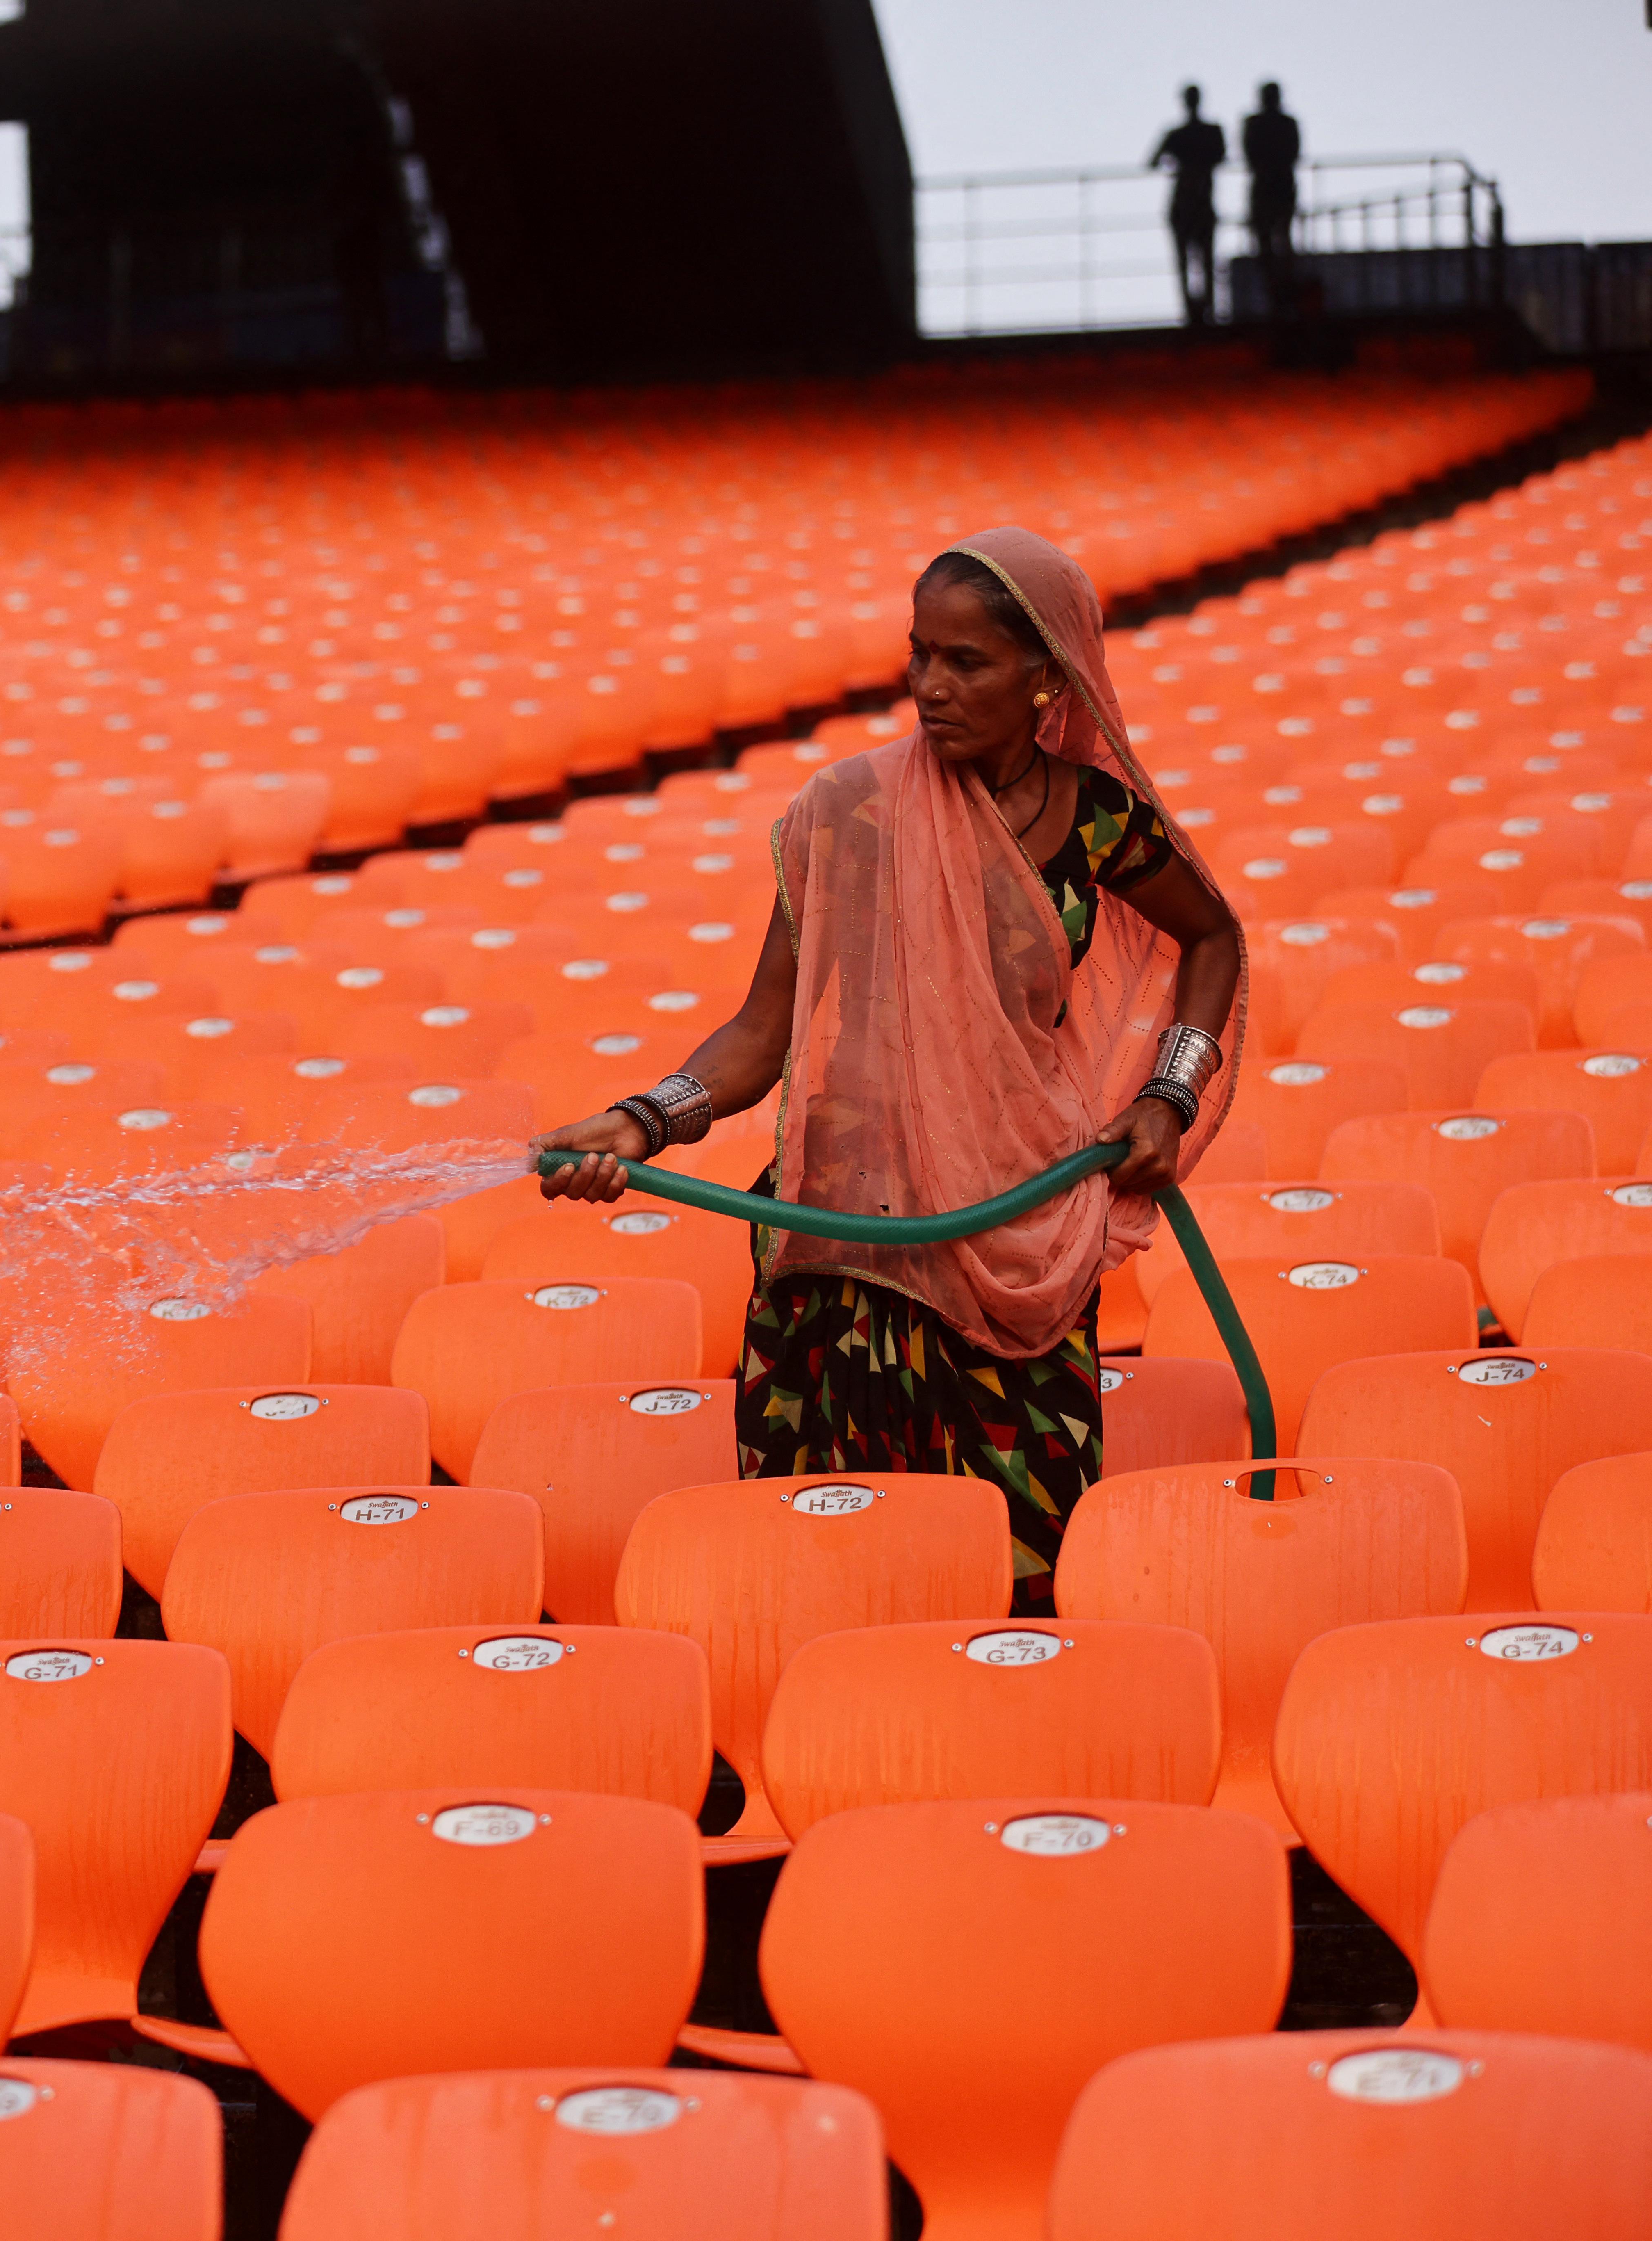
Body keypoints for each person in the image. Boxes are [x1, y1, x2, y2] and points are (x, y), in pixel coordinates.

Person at [532, 529, 1247, 1609]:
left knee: (1025, 1578)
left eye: (967, 662)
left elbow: (1214, 940)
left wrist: (1169, 1094)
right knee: (833, 1579)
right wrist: (639, 1122)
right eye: (922, 655)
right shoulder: (847, 813)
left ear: (1046, 674)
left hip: (1015, 1229)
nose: (930, 686)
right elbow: (759, 1036)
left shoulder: (1097, 820)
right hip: (844, 1247)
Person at [1151, 87, 1228, 326]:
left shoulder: (1176, 135)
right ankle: (1209, 308)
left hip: (1185, 203)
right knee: (1206, 260)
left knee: (1186, 261)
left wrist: (1176, 161)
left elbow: (1153, 162)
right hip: (1202, 202)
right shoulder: (1212, 132)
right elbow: (1221, 157)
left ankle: (1191, 310)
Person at [1243, 82, 1303, 318]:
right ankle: (1282, 291)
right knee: (1281, 240)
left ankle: (1275, 291)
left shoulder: (1254, 124)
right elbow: (1294, 153)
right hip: (1282, 187)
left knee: (1268, 242)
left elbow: (1250, 154)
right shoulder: (1288, 124)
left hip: (1267, 188)